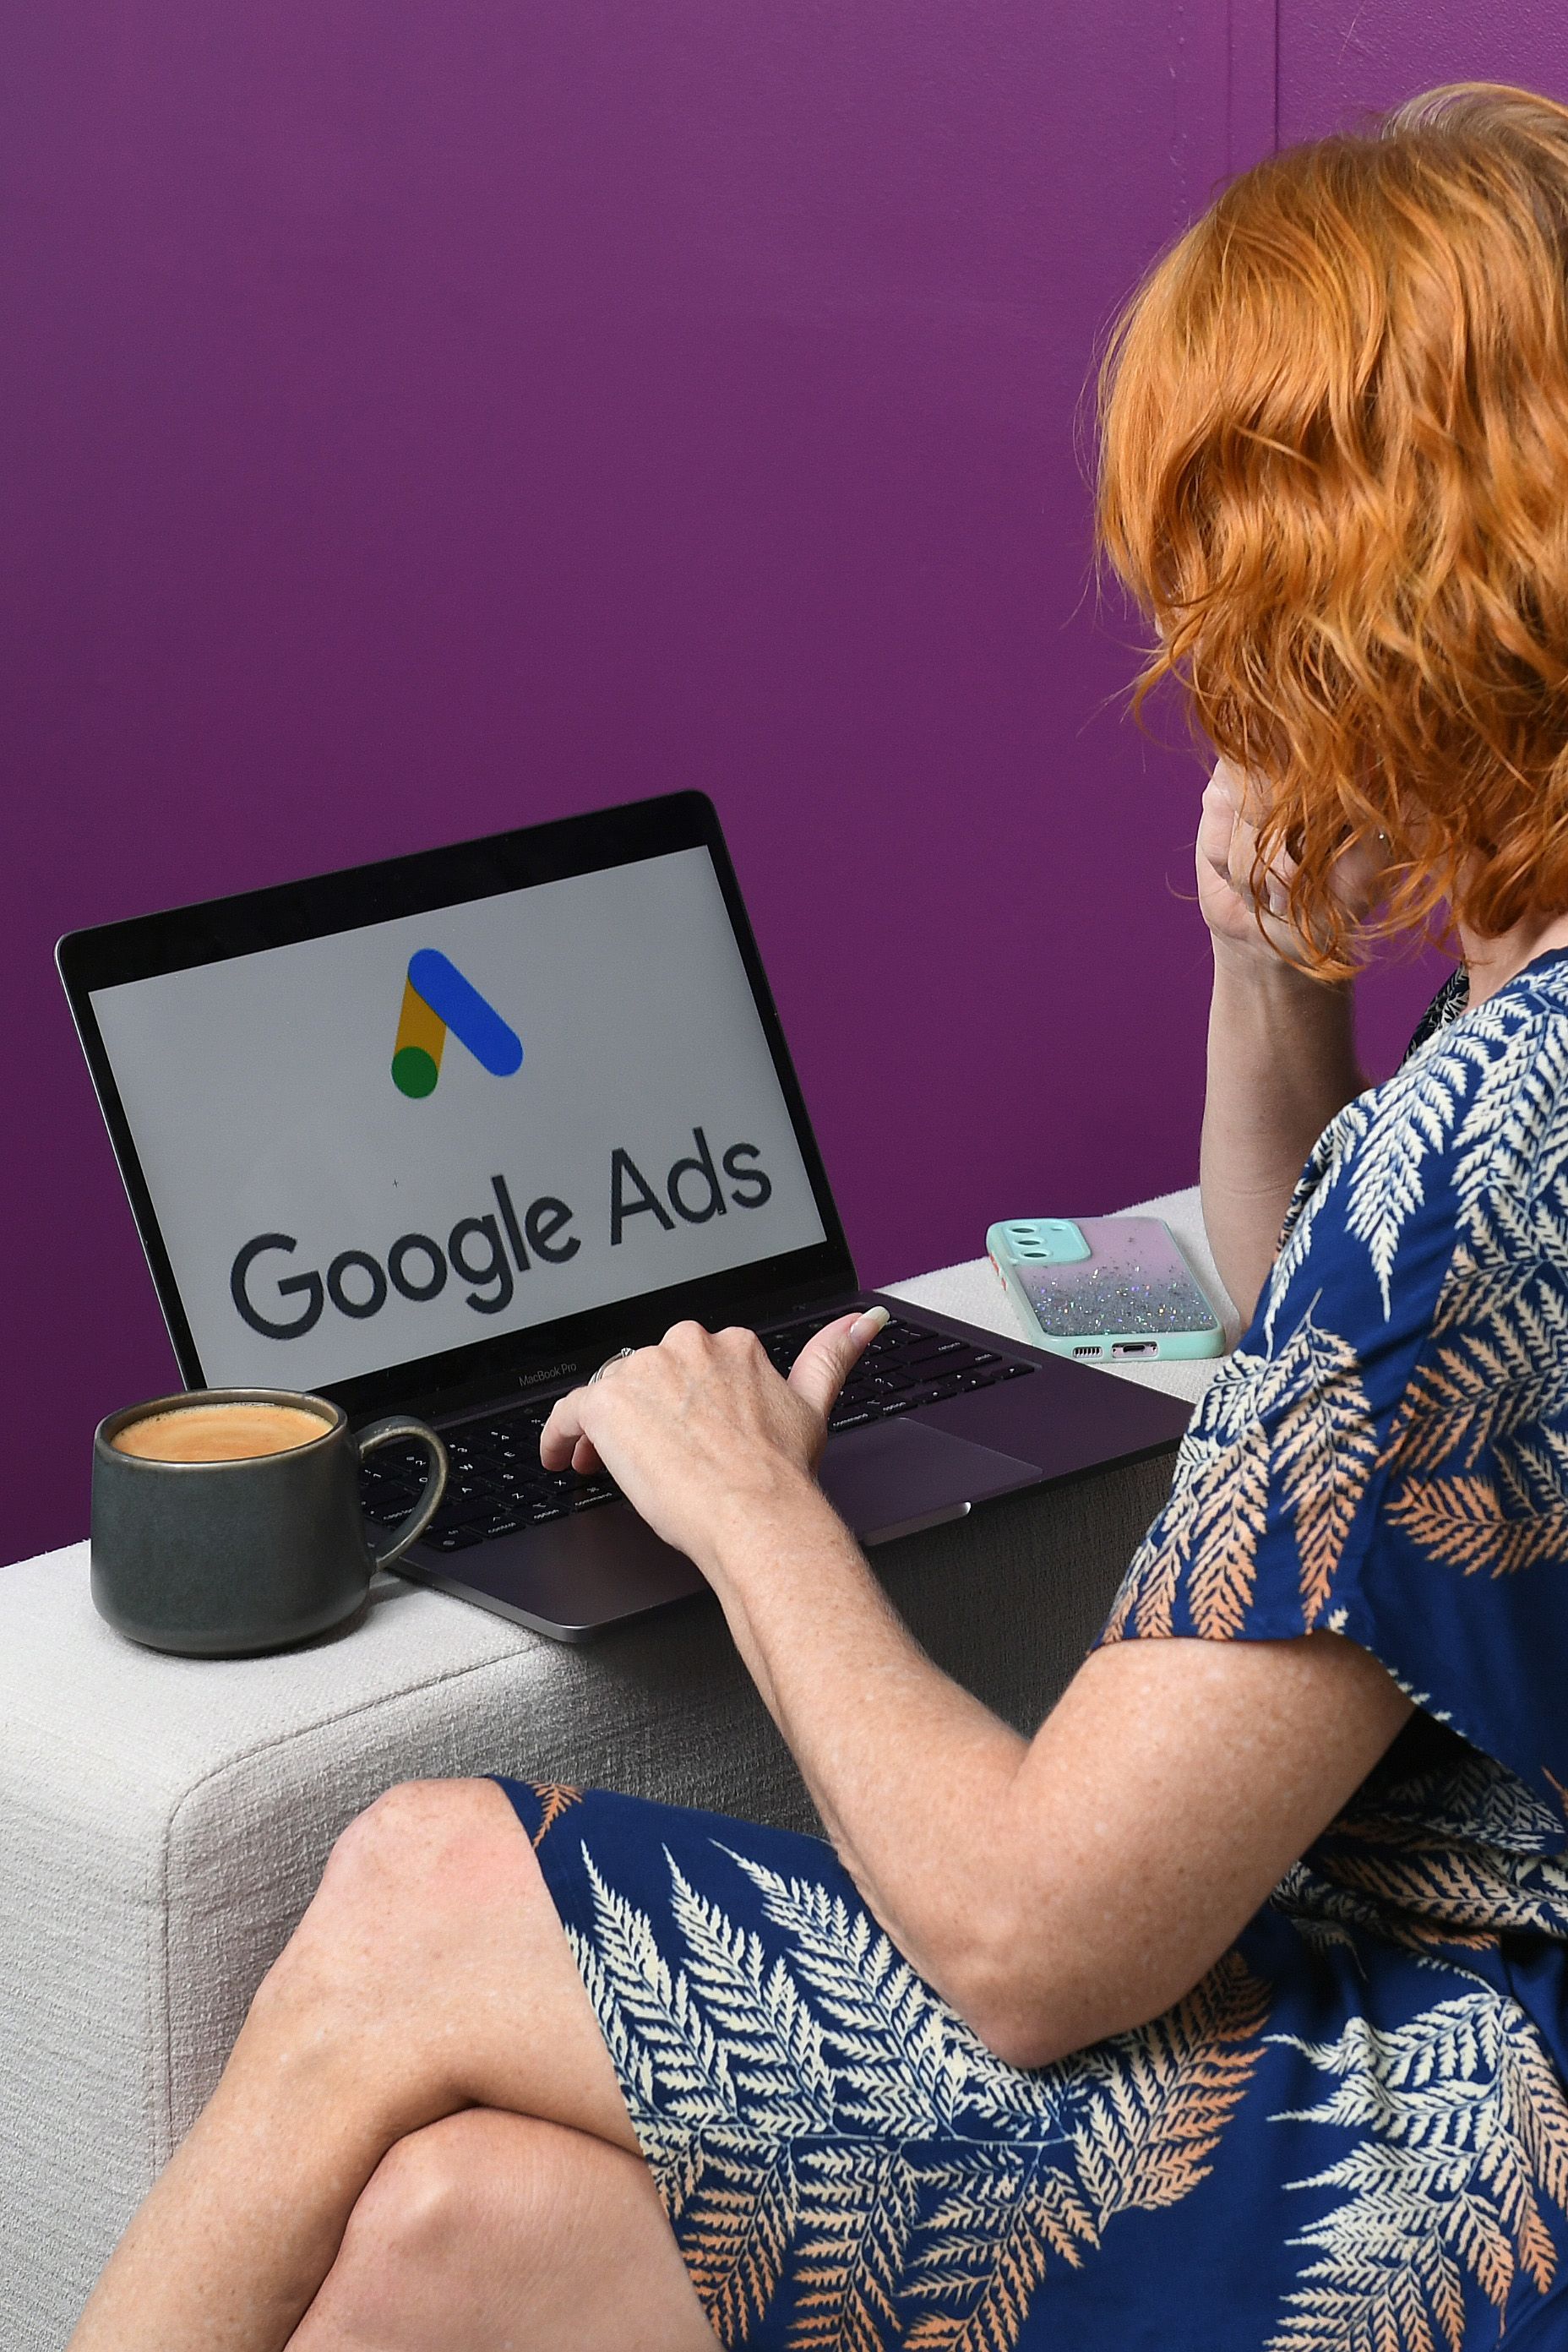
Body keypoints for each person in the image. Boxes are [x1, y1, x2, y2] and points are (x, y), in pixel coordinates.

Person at [68, 80, 1568, 2352]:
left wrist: (750, 1496)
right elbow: (1344, 1405)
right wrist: (1274, 971)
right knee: (445, 2240)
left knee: (419, 1883)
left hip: (1447, 2146)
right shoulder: (1501, 1092)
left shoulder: (1481, 1154)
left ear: (1353, 589)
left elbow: (1045, 1943)